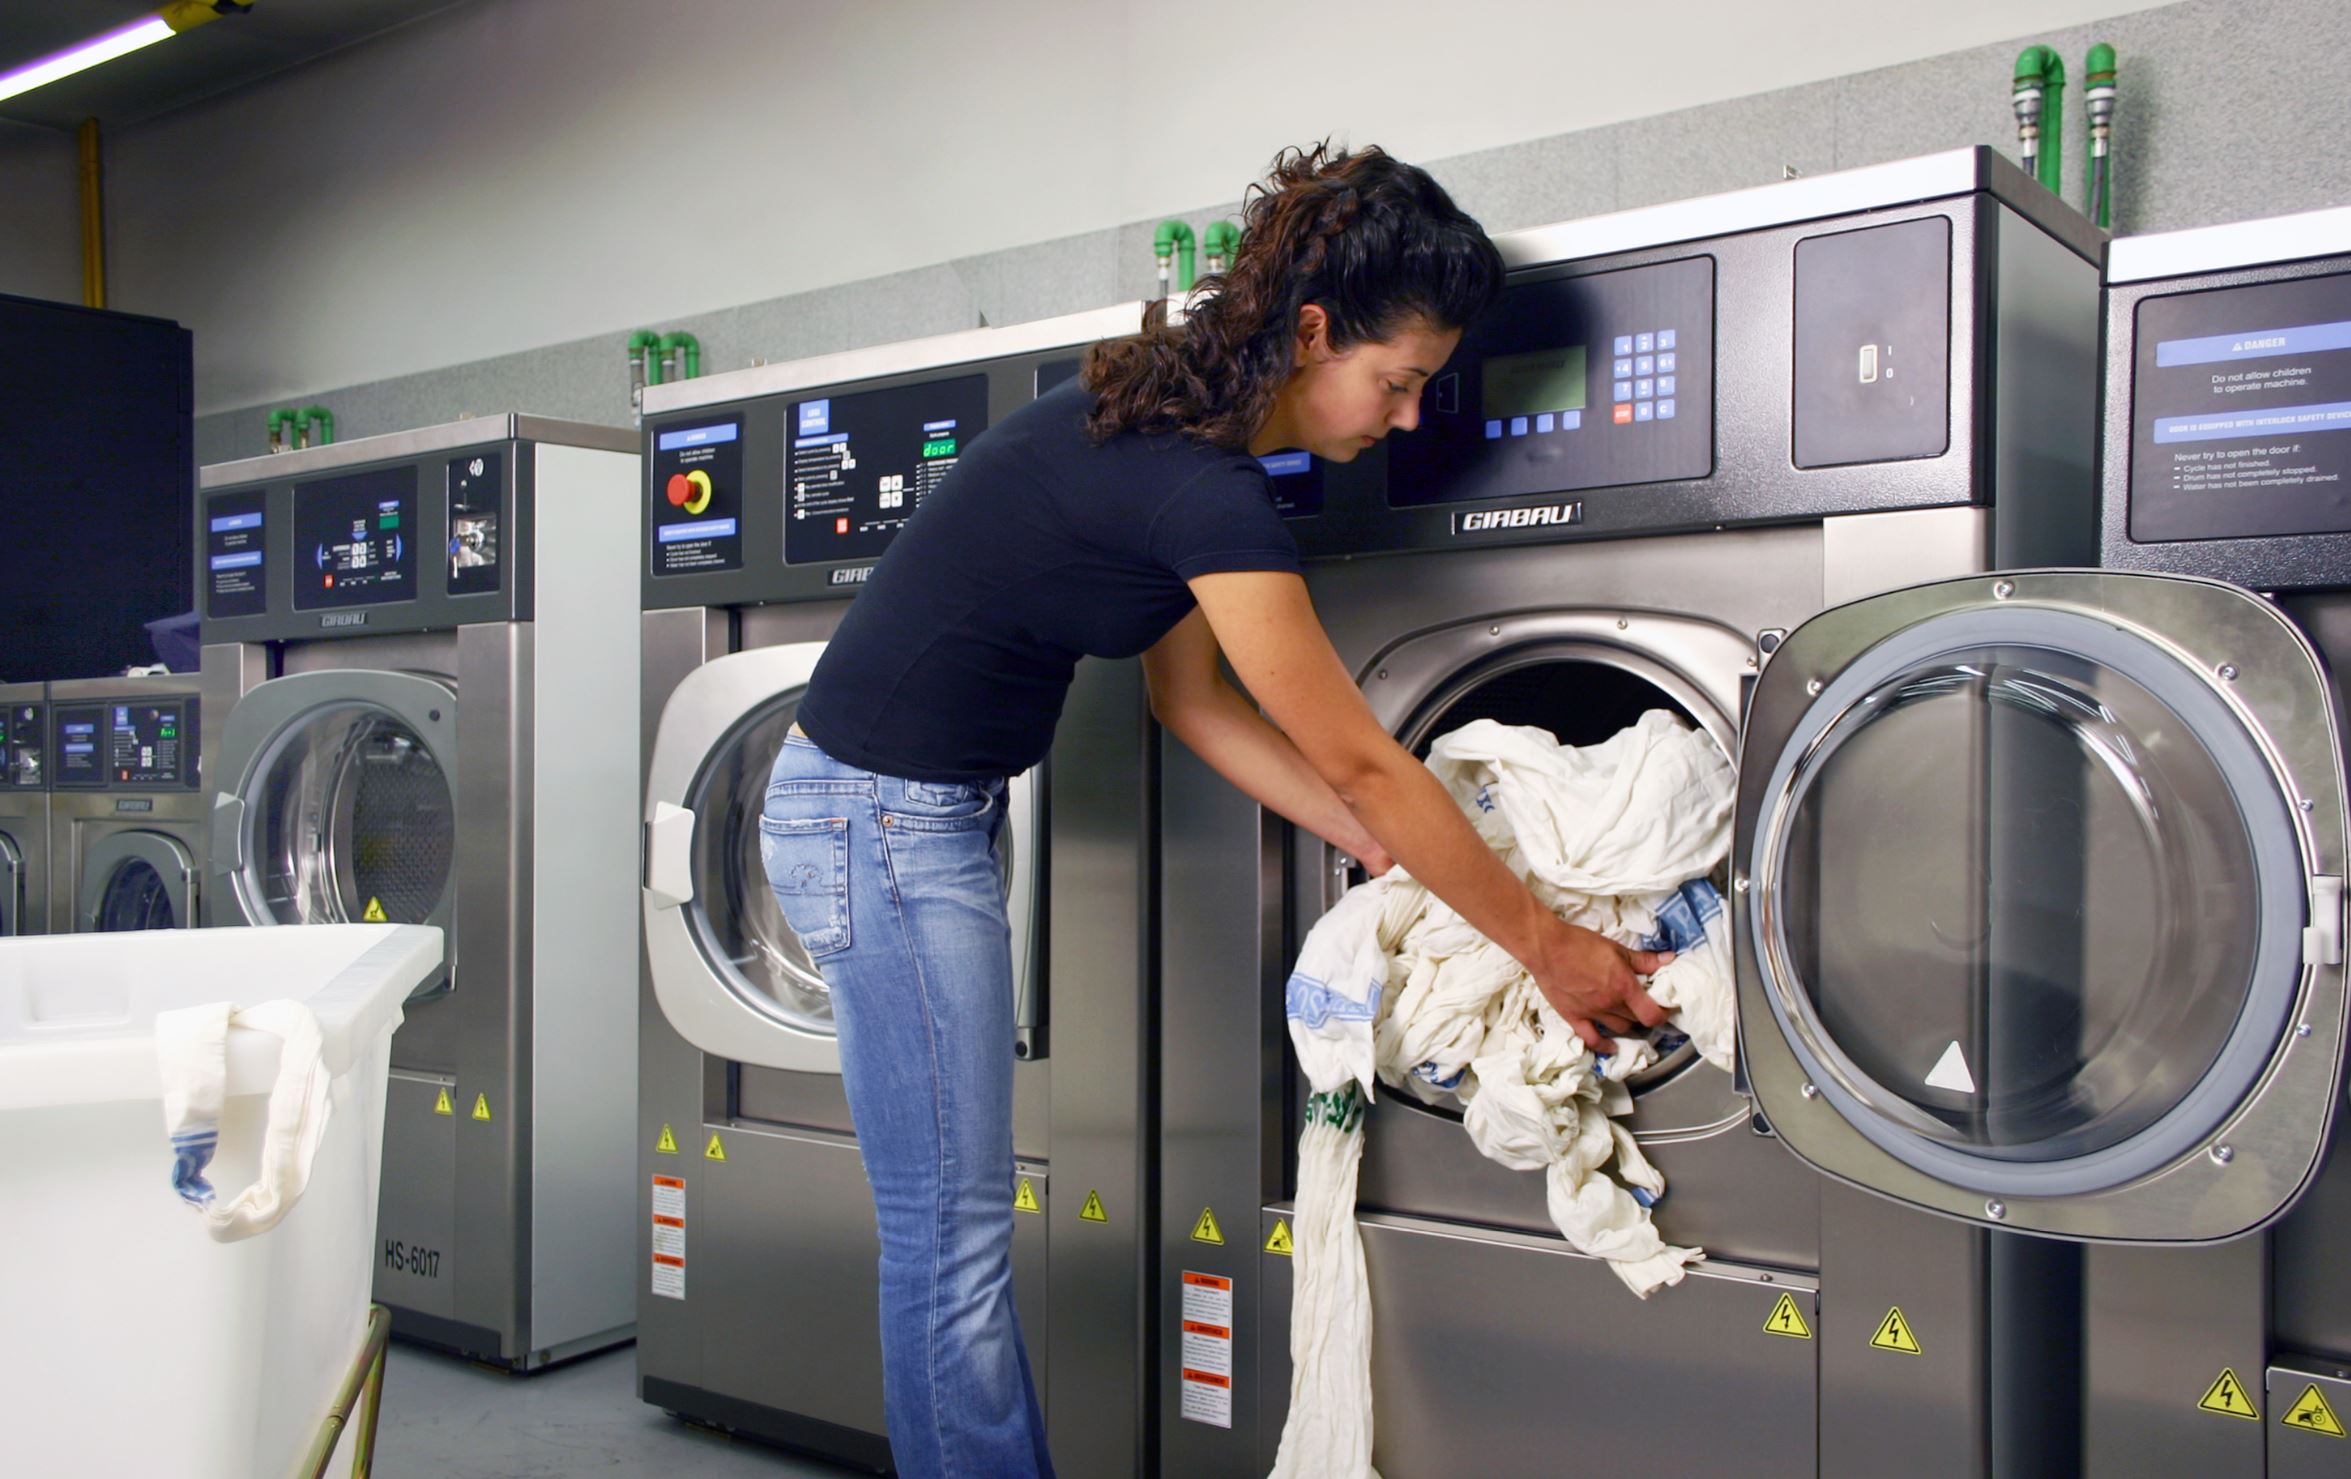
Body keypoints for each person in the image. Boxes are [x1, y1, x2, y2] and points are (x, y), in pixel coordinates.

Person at [762, 141, 1673, 1477]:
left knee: (946, 1238)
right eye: (1399, 382)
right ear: (1314, 333)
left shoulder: (1180, 439)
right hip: (879, 827)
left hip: (905, 818)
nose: (1407, 418)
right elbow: (1366, 759)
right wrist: (1545, 939)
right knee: (948, 1247)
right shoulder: (1201, 485)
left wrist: (1379, 852)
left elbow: (1189, 702)